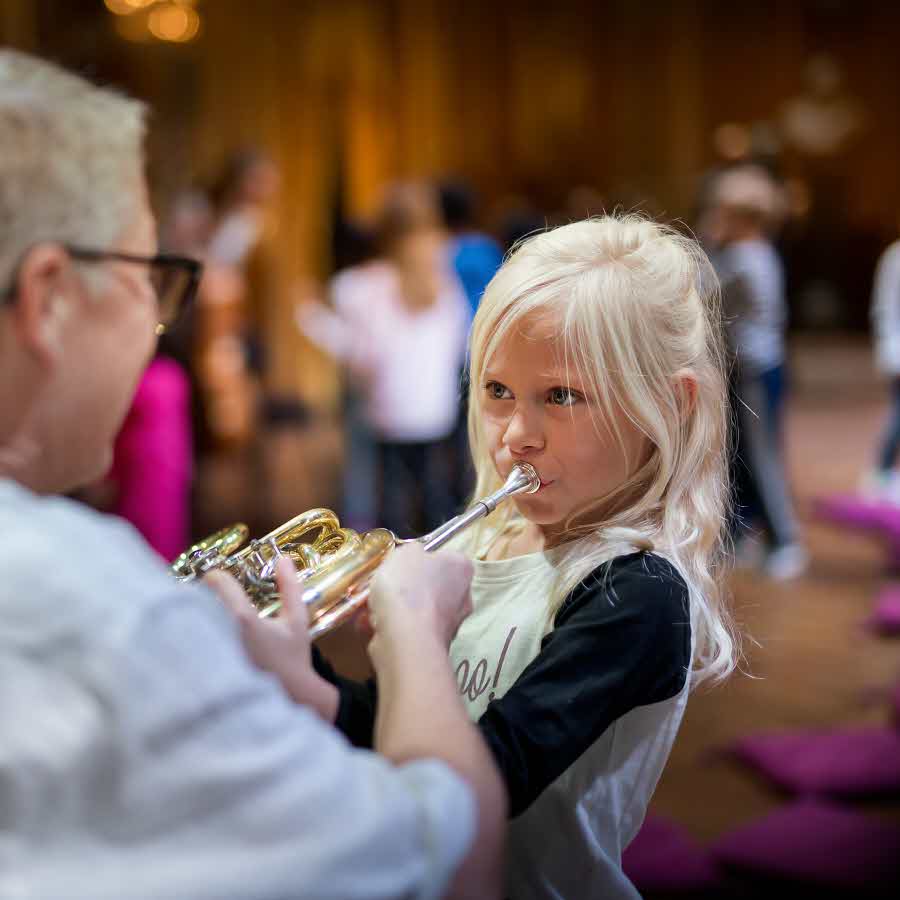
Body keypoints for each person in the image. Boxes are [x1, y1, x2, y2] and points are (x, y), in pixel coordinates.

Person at [0, 49, 505, 899]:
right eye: (150, 276)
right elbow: (446, 858)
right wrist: (415, 631)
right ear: (49, 298)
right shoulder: (97, 613)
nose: (157, 324)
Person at [261, 214, 738, 898]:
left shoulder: (637, 593)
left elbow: (478, 789)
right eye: (497, 391)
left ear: (670, 405)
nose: (516, 434)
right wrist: (300, 677)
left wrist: (414, 635)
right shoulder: (484, 537)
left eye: (562, 396)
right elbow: (406, 736)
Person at [707, 163, 808, 579]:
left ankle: (786, 540)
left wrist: (709, 241)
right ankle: (744, 532)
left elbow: (704, 288)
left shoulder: (745, 258)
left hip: (755, 370)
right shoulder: (753, 253)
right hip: (743, 368)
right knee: (740, 454)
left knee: (763, 456)